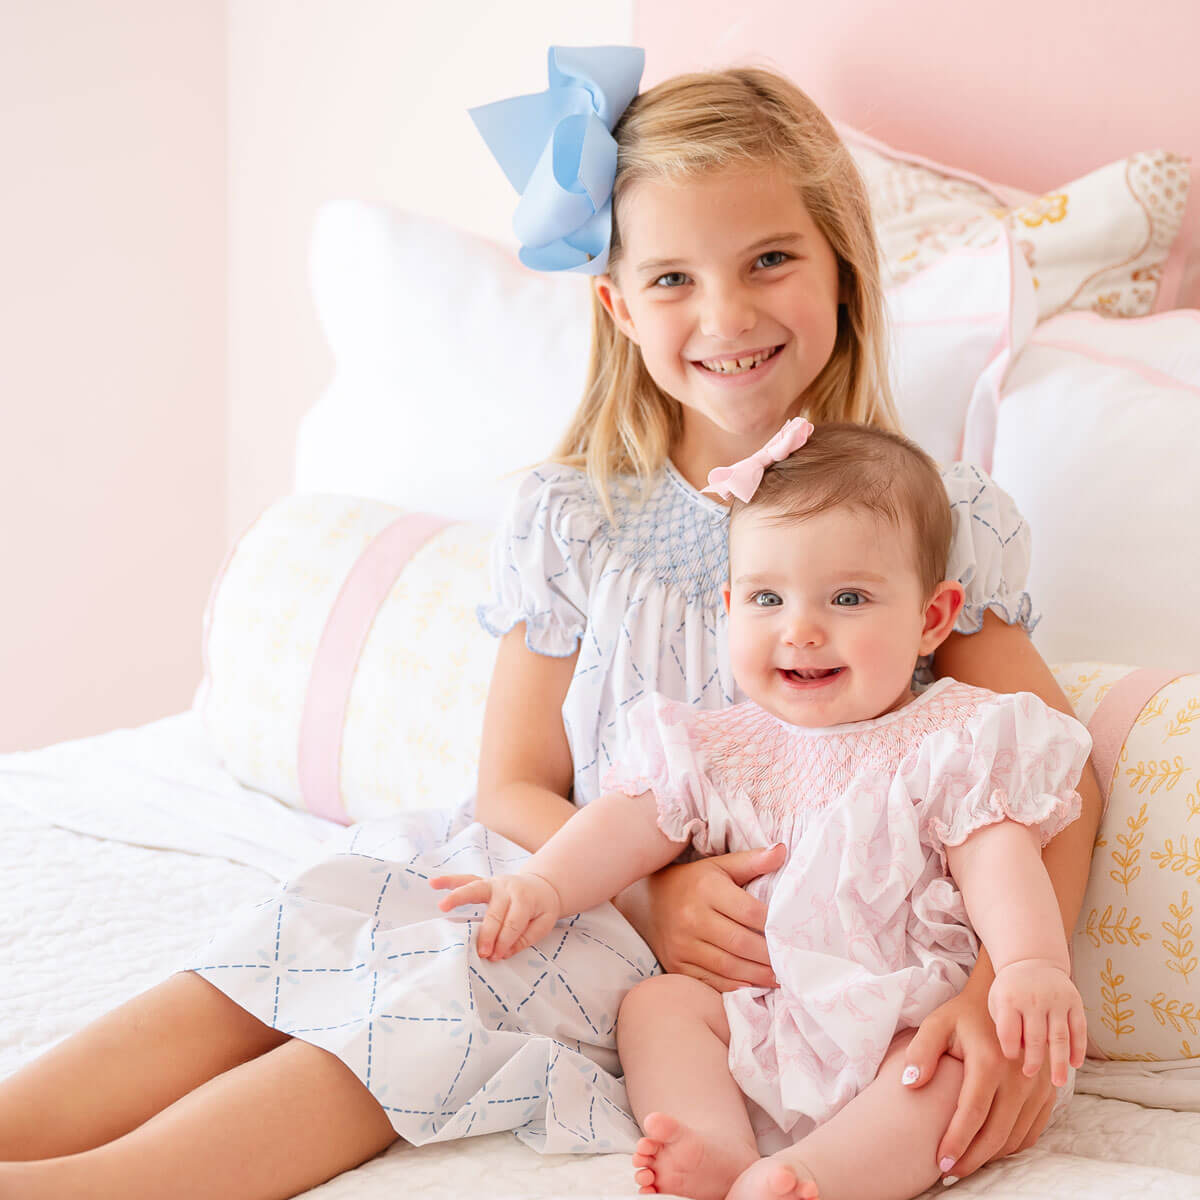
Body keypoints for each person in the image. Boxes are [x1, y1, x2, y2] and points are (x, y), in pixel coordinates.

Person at [0, 48, 1101, 1200]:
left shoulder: (925, 526)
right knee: (334, 919)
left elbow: (1054, 781)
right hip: (571, 874)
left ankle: (96, 1187)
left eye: (770, 259)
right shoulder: (576, 516)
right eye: (673, 278)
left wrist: (1003, 989)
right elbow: (512, 786)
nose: (725, 314)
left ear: (842, 278)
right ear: (618, 307)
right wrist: (644, 887)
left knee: (439, 1006)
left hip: (737, 964)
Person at [436, 420, 1091, 1200]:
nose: (801, 628)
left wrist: (1029, 967)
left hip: (902, 1023)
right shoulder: (718, 746)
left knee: (946, 1072)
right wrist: (543, 886)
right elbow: (624, 823)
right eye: (767, 598)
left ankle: (812, 1178)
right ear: (729, 608)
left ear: (932, 619)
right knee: (659, 1006)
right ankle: (715, 1142)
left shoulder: (950, 739)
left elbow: (1000, 859)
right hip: (762, 1021)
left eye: (848, 597)